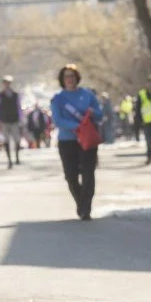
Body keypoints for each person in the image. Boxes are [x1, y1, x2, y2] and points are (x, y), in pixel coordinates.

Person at [50, 63, 103, 221]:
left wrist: (94, 113)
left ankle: (85, 208)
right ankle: (81, 202)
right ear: (62, 79)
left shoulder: (87, 95)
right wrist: (77, 127)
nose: (69, 79)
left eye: (72, 76)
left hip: (87, 141)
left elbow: (100, 114)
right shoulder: (58, 99)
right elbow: (58, 120)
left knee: (88, 173)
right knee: (71, 176)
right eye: (66, 76)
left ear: (77, 78)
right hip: (68, 141)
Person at [0, 75, 23, 169]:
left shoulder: (15, 95)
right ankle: (9, 160)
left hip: (14, 120)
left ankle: (17, 157)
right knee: (6, 141)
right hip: (4, 121)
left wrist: (21, 119)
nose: (7, 84)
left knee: (17, 139)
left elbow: (19, 108)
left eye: (8, 82)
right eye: (5, 82)